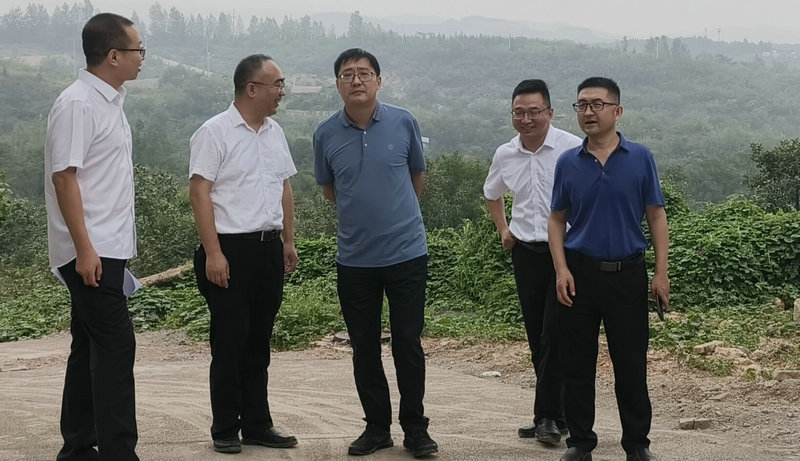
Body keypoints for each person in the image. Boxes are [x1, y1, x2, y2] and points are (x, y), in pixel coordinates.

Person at [312, 48, 438, 459]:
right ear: (337, 84)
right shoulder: (325, 133)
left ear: (379, 81)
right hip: (355, 260)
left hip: (407, 255)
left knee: (407, 343)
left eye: (364, 73)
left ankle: (416, 429)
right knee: (363, 347)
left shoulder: (404, 121)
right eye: (347, 74)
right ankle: (377, 428)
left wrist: (394, 217)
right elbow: (330, 189)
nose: (356, 80)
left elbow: (416, 176)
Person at [548, 77, 670, 461]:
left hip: (627, 275)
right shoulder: (568, 162)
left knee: (631, 365)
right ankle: (580, 443)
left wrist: (661, 272)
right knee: (577, 366)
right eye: (582, 105)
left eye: (597, 104)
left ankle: (637, 444)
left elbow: (656, 215)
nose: (588, 112)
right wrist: (561, 269)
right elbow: (556, 219)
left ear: (617, 111)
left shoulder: (641, 158)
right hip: (579, 275)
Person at [44, 12, 144, 461]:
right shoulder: (78, 104)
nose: (142, 58)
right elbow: (64, 178)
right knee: (117, 346)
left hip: (107, 247)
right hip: (91, 250)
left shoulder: (110, 101)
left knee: (87, 347)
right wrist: (85, 250)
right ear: (113, 55)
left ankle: (79, 446)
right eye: (138, 50)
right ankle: (119, 453)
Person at [189, 54, 298, 454]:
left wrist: (288, 240)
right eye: (277, 84)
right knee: (230, 342)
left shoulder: (274, 132)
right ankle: (224, 427)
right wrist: (213, 253)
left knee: (258, 342)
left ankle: (257, 424)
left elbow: (283, 186)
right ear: (252, 88)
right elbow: (199, 192)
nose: (282, 91)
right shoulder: (214, 132)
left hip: (268, 249)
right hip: (229, 249)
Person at [483, 79, 581, 445]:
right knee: (537, 335)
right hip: (526, 252)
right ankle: (559, 414)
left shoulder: (572, 148)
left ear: (550, 113)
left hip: (566, 254)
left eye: (534, 112)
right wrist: (503, 229)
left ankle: (546, 418)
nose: (526, 119)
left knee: (555, 332)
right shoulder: (505, 154)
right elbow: (492, 193)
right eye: (518, 113)